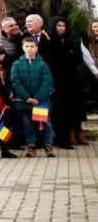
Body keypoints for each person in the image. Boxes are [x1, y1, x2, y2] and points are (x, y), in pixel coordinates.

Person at [9, 36, 55, 158]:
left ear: (37, 48)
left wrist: (38, 97)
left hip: (40, 101)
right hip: (25, 102)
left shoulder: (43, 64)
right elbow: (15, 82)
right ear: (23, 48)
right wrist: (26, 97)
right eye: (27, 46)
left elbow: (47, 82)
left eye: (32, 46)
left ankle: (48, 146)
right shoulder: (17, 64)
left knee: (45, 124)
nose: (29, 49)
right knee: (28, 125)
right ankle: (31, 146)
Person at [46, 17, 83, 150]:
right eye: (58, 25)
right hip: (56, 80)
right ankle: (58, 138)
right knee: (57, 111)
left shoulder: (71, 40)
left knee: (68, 110)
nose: (61, 28)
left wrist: (68, 55)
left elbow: (78, 57)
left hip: (71, 80)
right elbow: (53, 58)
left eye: (63, 25)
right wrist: (66, 55)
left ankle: (68, 136)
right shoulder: (49, 40)